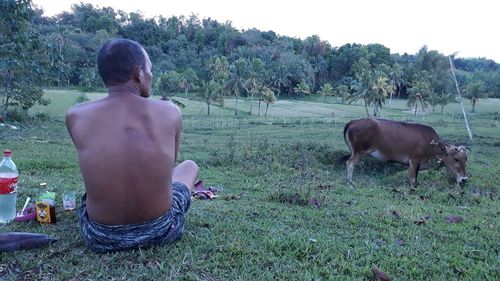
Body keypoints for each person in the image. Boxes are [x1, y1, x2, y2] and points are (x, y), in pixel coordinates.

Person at [65, 38, 199, 252]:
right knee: (189, 166)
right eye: (150, 69)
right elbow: (169, 166)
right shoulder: (170, 111)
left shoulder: (75, 115)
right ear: (138, 72)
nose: (151, 76)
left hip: (100, 237)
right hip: (162, 229)